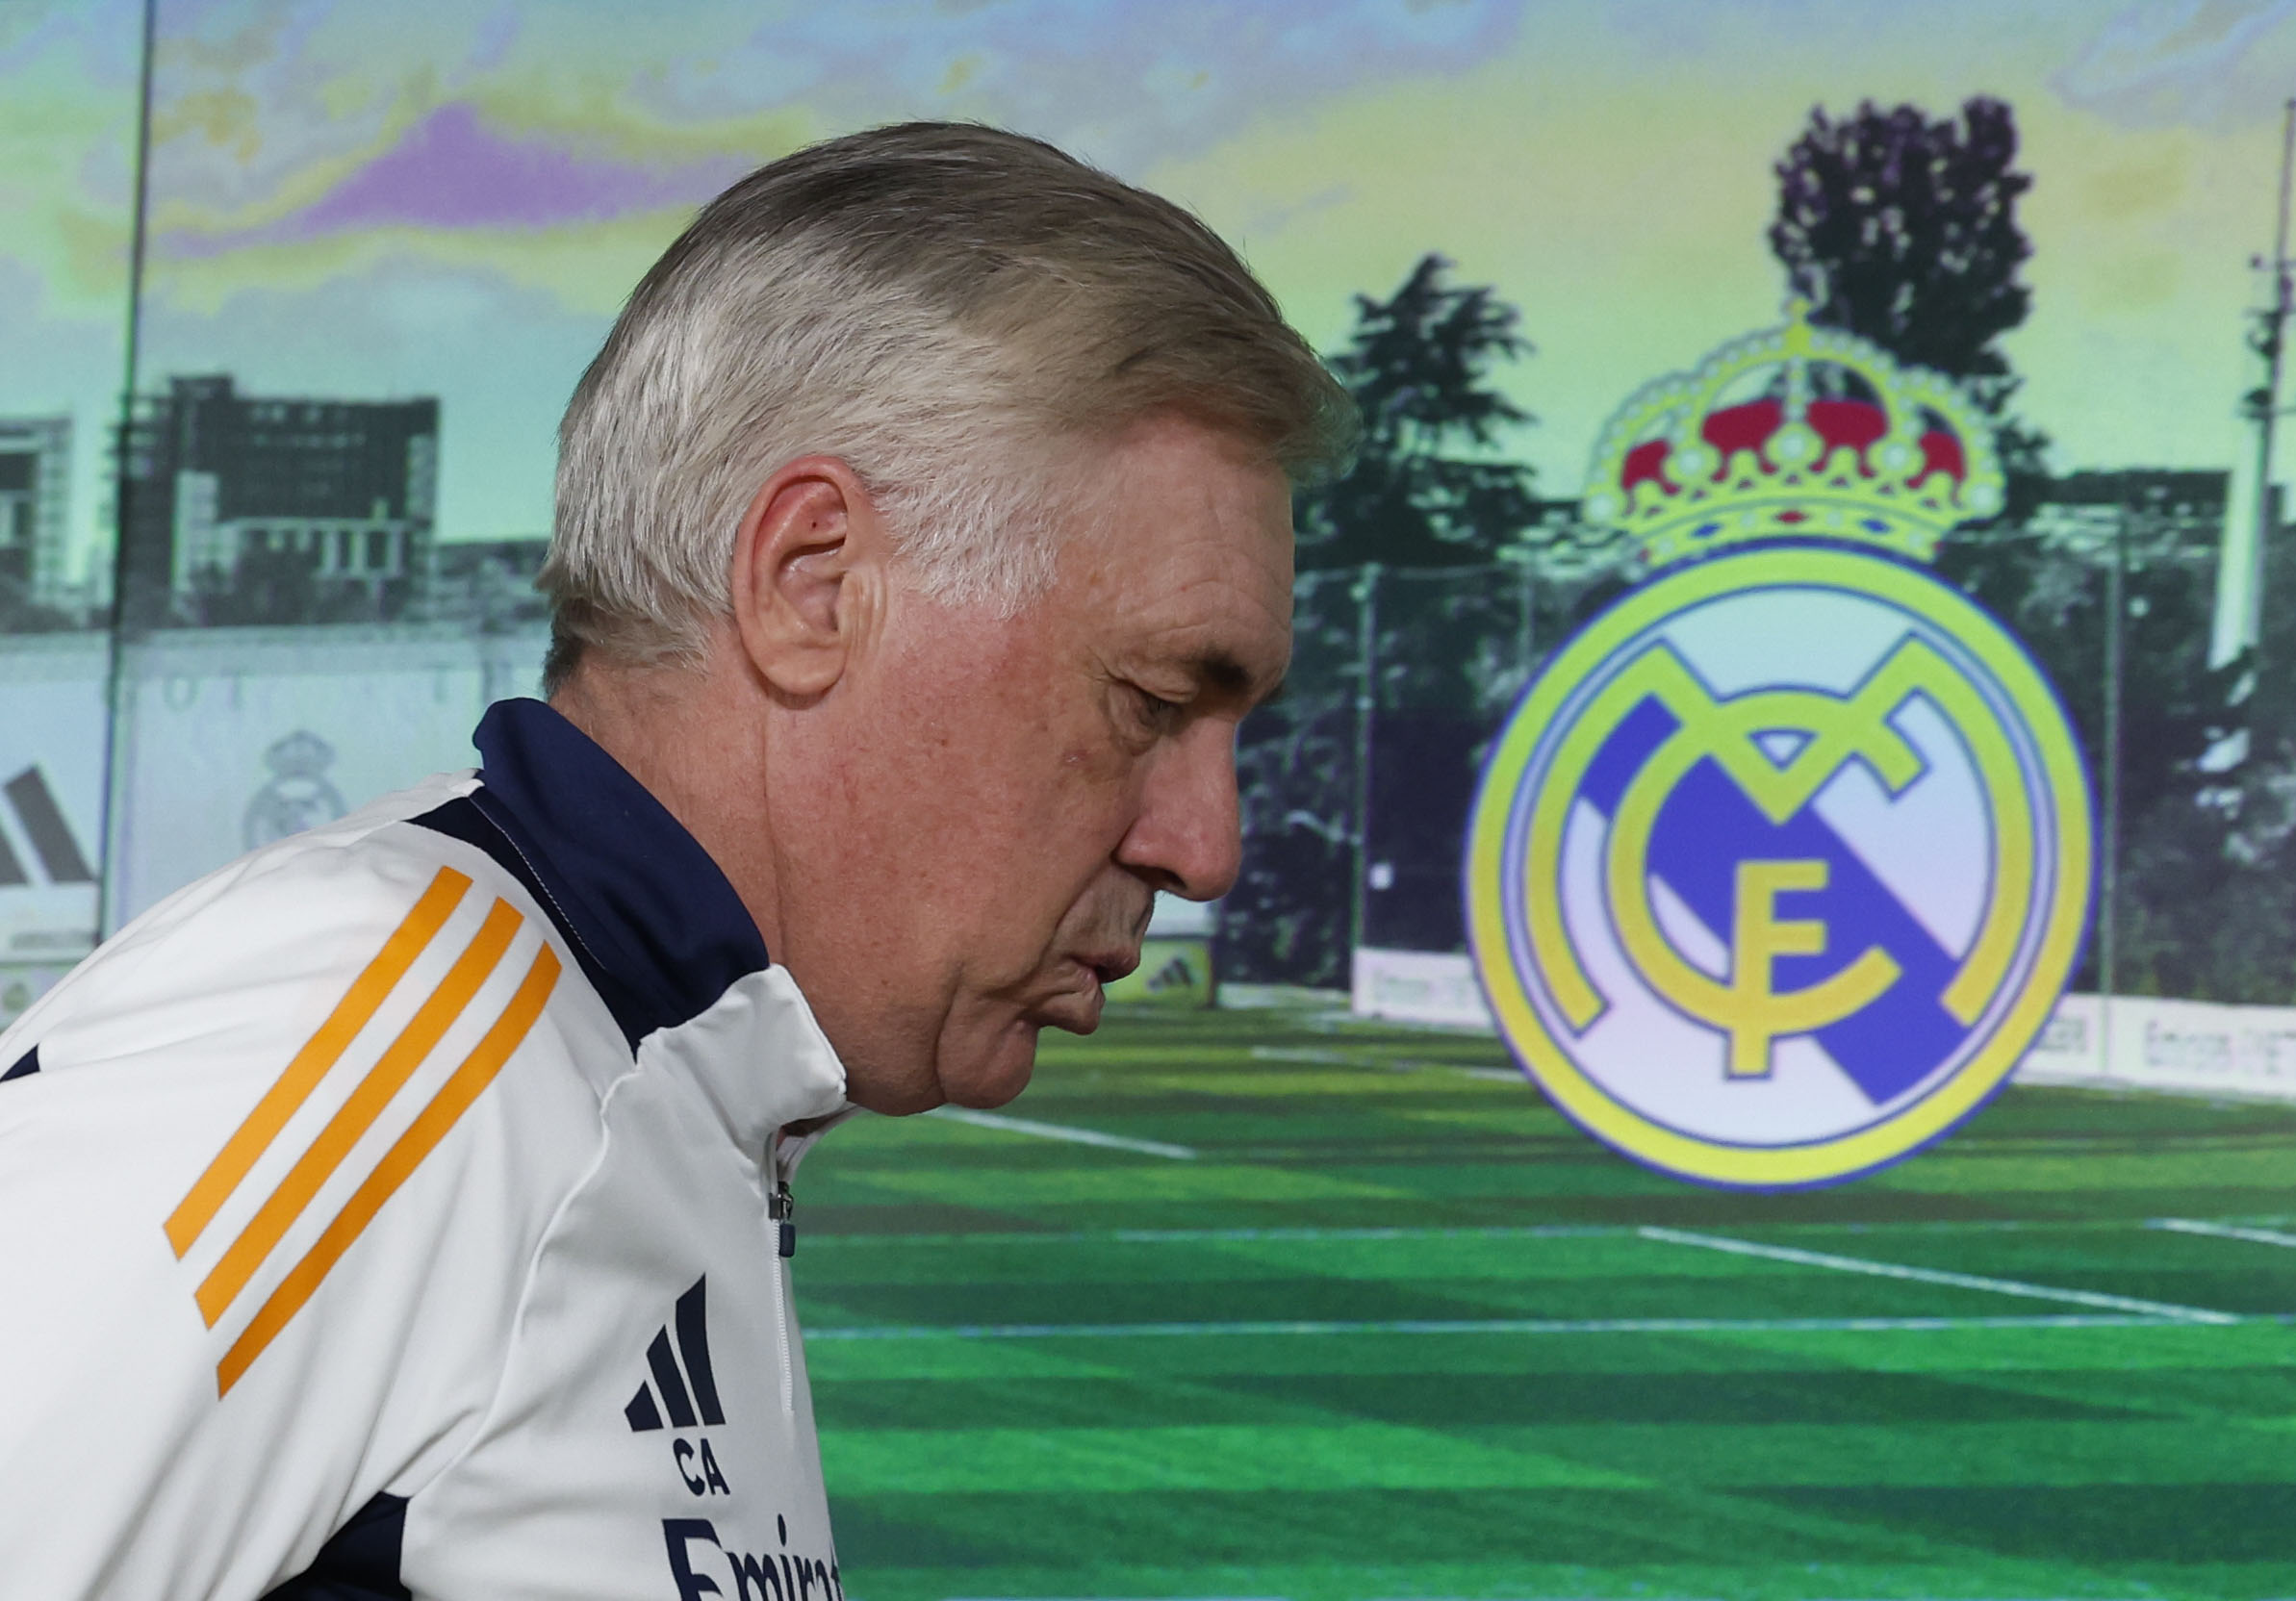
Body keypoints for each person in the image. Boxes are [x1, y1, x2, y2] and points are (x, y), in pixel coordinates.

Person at [0, 121, 1348, 1599]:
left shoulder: (650, 1072)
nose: (1205, 847)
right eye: (1152, 703)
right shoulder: (391, 1035)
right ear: (813, 584)